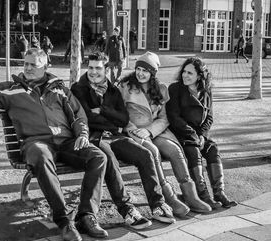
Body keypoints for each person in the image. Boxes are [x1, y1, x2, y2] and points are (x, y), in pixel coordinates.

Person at [0, 48, 111, 241]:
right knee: (41, 154)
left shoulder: (59, 89)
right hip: (36, 143)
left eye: (34, 65)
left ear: (45, 66)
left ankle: (86, 215)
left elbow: (78, 115)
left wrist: (82, 134)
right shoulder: (12, 89)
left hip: (66, 142)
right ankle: (64, 221)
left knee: (98, 157)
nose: (28, 68)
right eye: (26, 64)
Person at [71, 51, 175, 224]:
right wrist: (111, 122)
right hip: (96, 138)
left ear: (106, 70)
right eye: (90, 67)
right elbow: (87, 117)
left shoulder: (112, 90)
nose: (93, 72)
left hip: (116, 136)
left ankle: (157, 204)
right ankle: (127, 210)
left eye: (98, 68)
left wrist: (104, 111)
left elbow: (123, 118)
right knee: (109, 158)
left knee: (145, 155)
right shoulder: (78, 89)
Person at [119, 52, 211, 216]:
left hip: (156, 130)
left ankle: (191, 196)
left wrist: (150, 130)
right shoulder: (126, 86)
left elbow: (164, 117)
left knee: (174, 150)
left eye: (145, 70)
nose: (141, 73)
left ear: (152, 73)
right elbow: (121, 114)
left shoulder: (160, 89)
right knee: (153, 152)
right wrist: (136, 130)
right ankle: (169, 198)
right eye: (138, 69)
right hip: (134, 132)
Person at [166, 57, 238, 209]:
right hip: (181, 134)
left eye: (190, 73)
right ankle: (203, 195)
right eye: (184, 72)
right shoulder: (175, 89)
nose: (185, 75)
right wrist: (193, 135)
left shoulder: (206, 91)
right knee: (193, 152)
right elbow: (174, 117)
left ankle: (219, 193)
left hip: (199, 135)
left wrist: (202, 136)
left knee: (213, 149)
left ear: (199, 76)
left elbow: (210, 117)